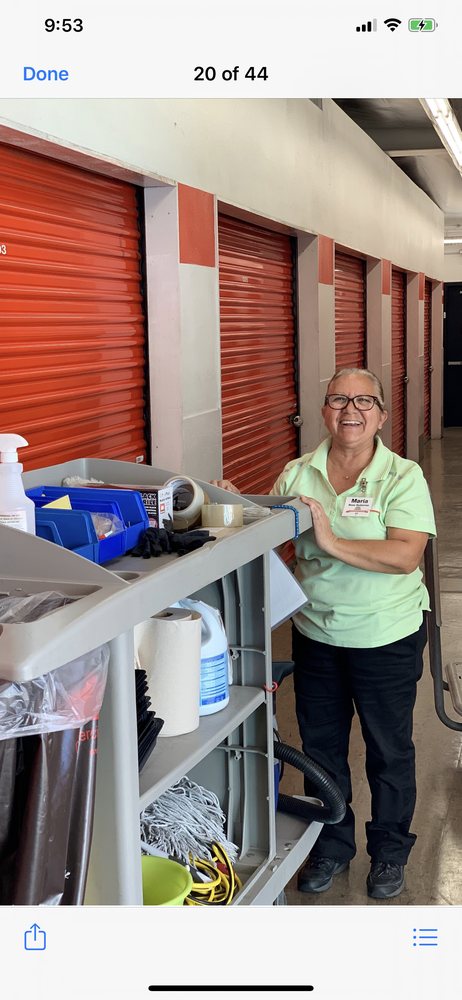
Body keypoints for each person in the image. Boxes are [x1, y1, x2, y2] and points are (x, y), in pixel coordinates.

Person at [212, 367, 436, 900]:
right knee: (321, 748)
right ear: (324, 411)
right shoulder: (298, 472)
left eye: (364, 401)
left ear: (381, 415)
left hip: (386, 635)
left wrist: (331, 540)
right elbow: (269, 532)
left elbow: (405, 554)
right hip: (317, 633)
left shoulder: (402, 476)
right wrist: (235, 506)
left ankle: (389, 851)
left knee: (388, 750)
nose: (350, 410)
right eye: (339, 399)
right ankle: (332, 846)